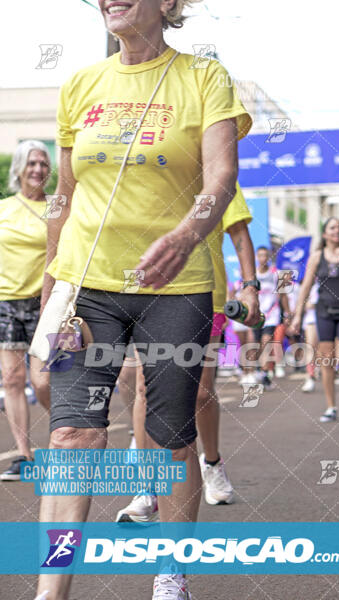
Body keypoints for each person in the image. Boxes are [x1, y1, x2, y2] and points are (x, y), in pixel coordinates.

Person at [34, 2, 254, 599]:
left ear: (168, 4)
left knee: (170, 436)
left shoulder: (204, 78)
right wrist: (52, 283)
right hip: (89, 282)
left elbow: (221, 179)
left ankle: (171, 570)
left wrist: (185, 236)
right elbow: (66, 193)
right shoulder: (82, 84)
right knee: (72, 436)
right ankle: (52, 589)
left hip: (175, 286)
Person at [115, 183, 260, 521]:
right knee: (143, 388)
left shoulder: (219, 177)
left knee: (199, 393)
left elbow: (238, 234)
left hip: (204, 295)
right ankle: (147, 487)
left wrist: (250, 287)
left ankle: (211, 463)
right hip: (151, 292)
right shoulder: (153, 166)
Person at [0, 140, 51, 481]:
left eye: (43, 164)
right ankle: (24, 454)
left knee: (43, 381)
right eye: (31, 163)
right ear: (19, 168)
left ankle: (72, 437)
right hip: (5, 302)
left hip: (43, 302)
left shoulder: (58, 209)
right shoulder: (4, 208)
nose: (37, 169)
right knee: (12, 380)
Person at [291, 217, 339, 422]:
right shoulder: (317, 256)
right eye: (333, 227)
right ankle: (331, 407)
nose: (338, 230)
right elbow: (306, 286)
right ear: (325, 234)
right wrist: (297, 315)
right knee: (326, 362)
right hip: (324, 313)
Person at [253, 246, 290, 387]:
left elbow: (284, 295)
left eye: (265, 255)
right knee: (256, 345)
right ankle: (261, 370)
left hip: (272, 314)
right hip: (256, 315)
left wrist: (287, 313)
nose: (263, 258)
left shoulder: (277, 273)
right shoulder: (252, 274)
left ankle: (264, 373)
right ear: (256, 257)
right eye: (260, 255)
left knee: (266, 341)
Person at [301, 281, 319, 392]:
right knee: (310, 347)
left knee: (324, 350)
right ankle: (310, 376)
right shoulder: (307, 284)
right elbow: (302, 302)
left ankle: (321, 370)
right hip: (311, 318)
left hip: (328, 318)